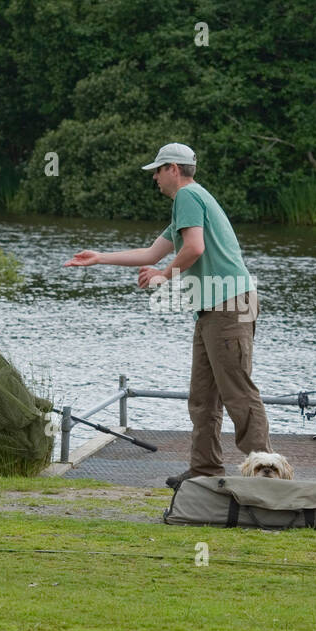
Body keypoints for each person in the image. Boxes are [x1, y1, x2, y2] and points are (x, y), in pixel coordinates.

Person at [63, 142, 271, 487]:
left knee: (237, 392)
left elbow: (194, 248)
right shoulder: (186, 205)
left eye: (157, 171)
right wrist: (100, 257)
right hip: (210, 311)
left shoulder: (189, 197)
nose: (155, 178)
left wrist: (164, 275)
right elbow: (151, 252)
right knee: (203, 397)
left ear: (173, 168)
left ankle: (266, 474)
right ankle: (205, 469)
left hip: (229, 306)